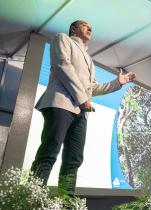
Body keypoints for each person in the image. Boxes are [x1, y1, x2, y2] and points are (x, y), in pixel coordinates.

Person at [30, 20, 136, 195]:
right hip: (61, 103)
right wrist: (82, 99)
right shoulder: (62, 38)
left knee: (74, 159)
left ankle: (66, 201)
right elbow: (63, 67)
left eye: (90, 27)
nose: (90, 28)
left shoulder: (89, 59)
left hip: (81, 111)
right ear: (73, 29)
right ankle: (30, 199)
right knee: (49, 151)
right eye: (84, 25)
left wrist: (118, 82)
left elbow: (92, 88)